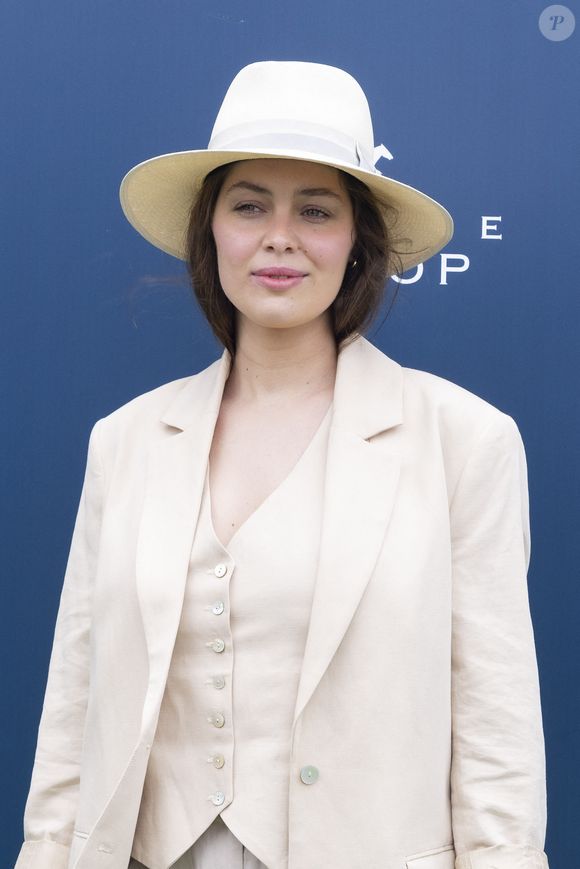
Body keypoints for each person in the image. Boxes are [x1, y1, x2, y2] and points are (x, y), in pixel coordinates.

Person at [15, 61, 549, 869]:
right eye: (249, 204)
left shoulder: (463, 441)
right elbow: (73, 708)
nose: (279, 235)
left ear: (357, 241)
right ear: (213, 230)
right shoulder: (124, 441)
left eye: (316, 209)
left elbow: (496, 729)